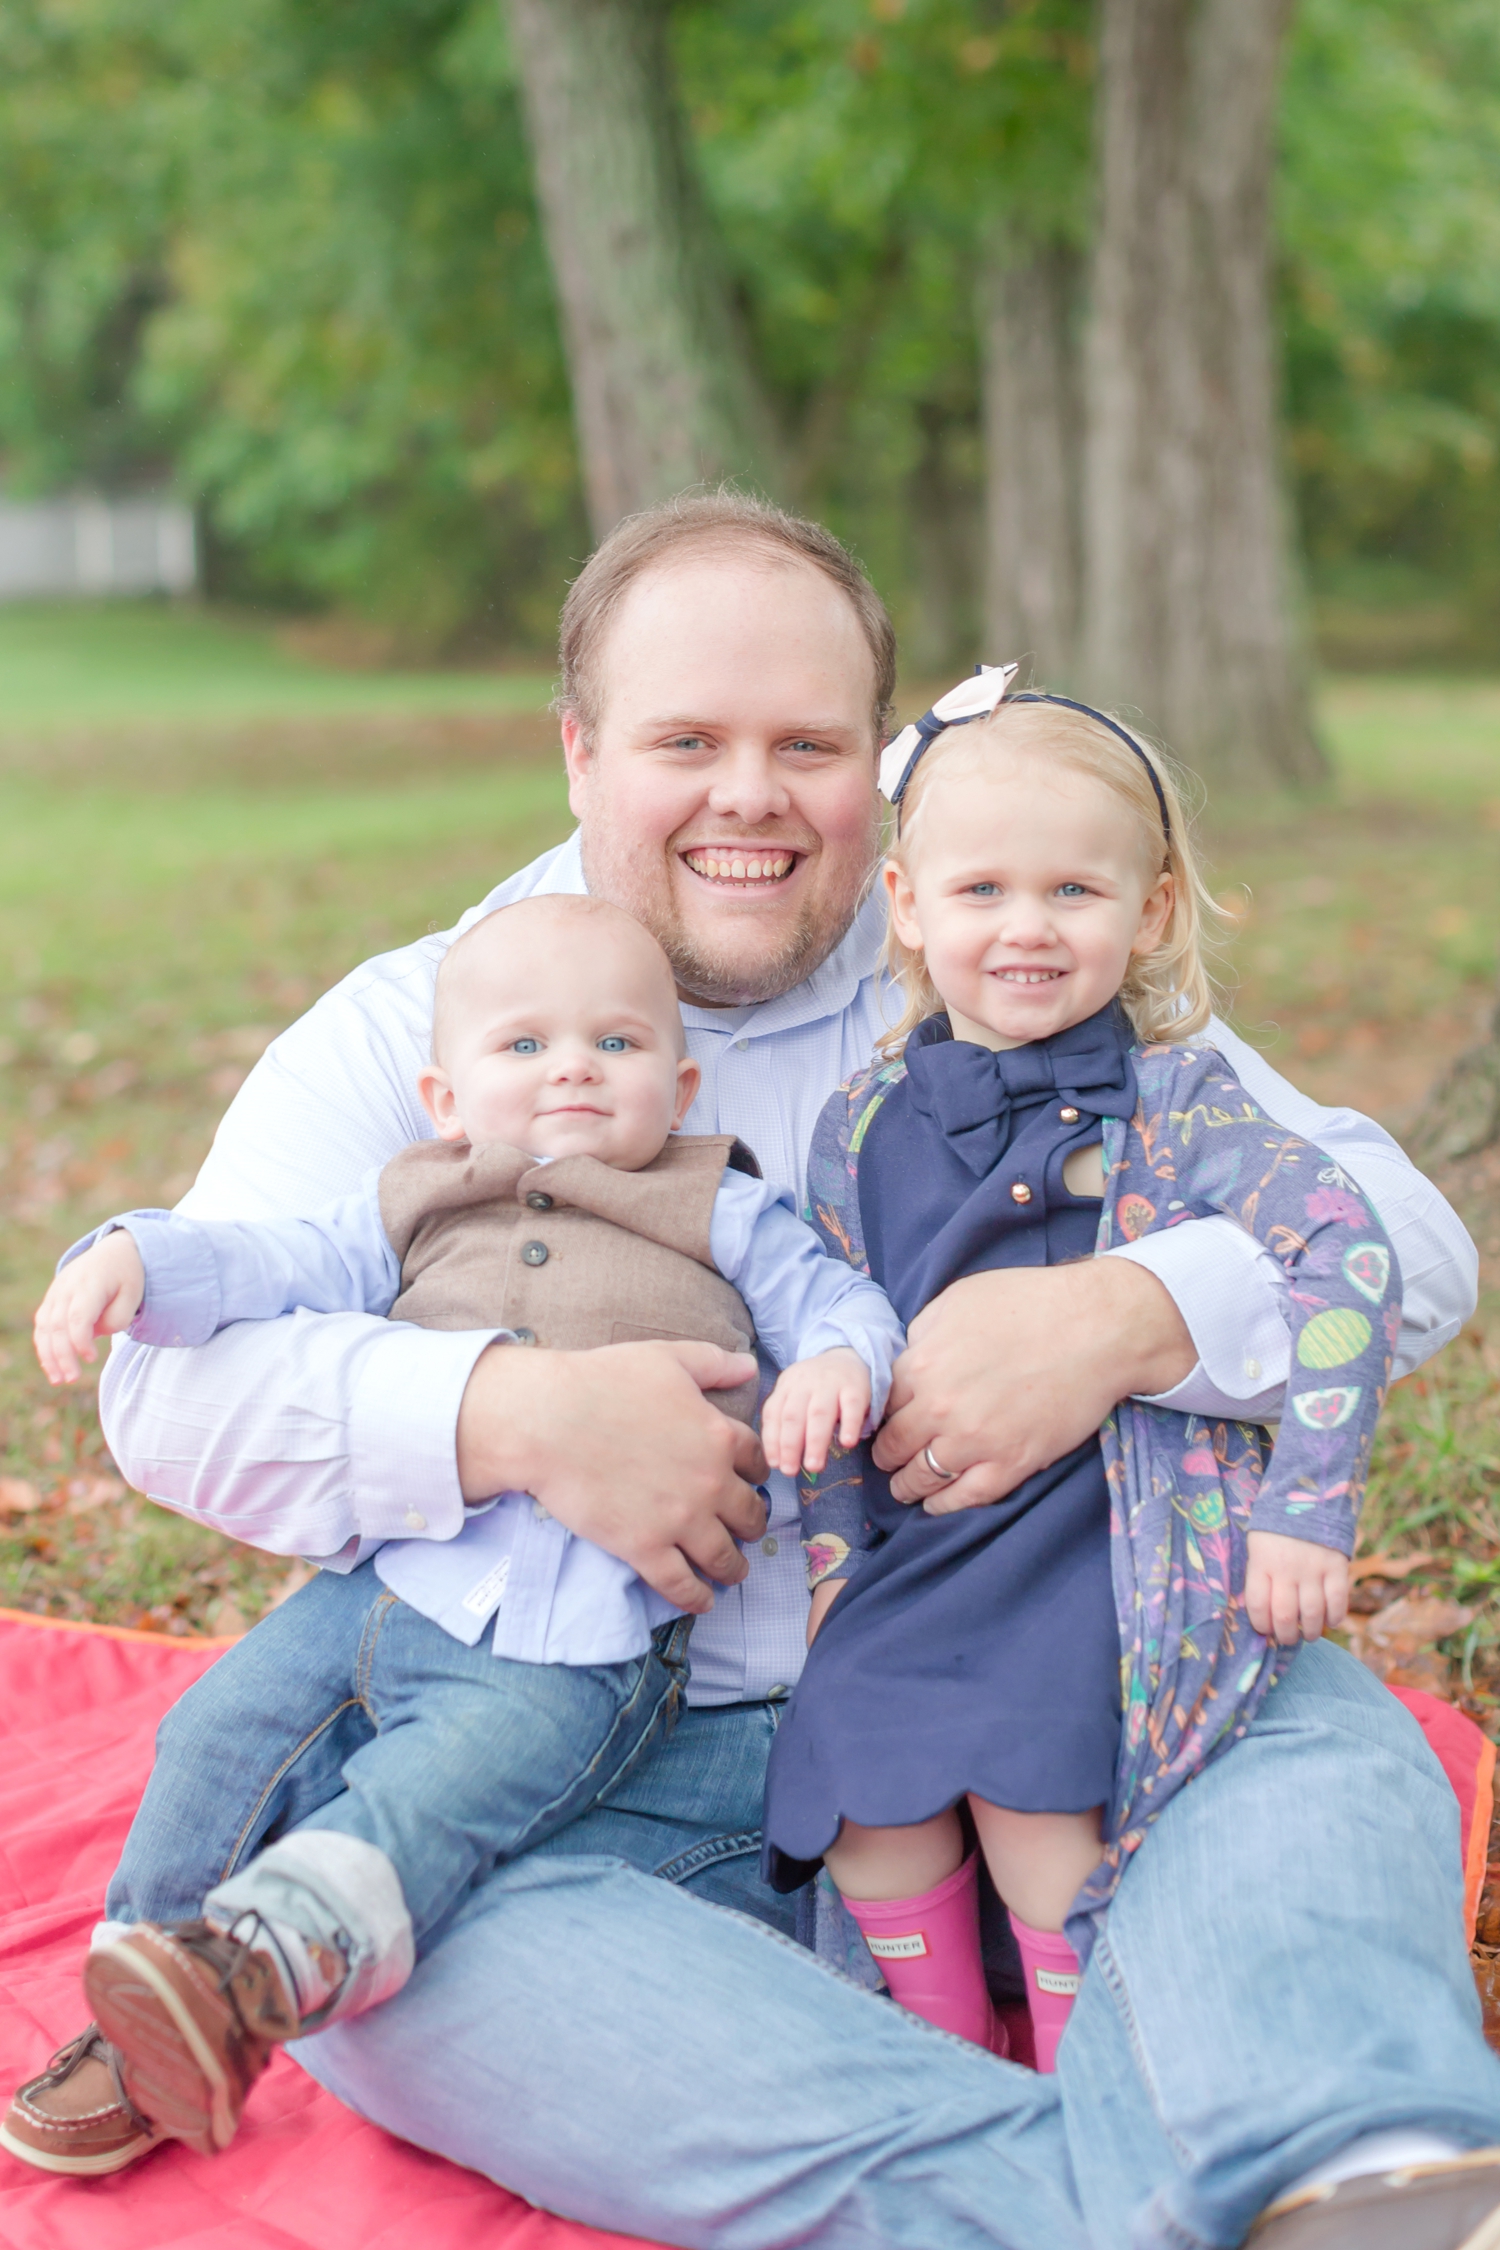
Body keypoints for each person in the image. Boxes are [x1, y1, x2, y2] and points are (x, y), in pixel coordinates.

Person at [5, 492, 1497, 2250]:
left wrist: (1125, 1318)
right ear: (576, 754)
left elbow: (1406, 1240)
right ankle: (1087, 2204)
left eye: (808, 744)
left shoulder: (987, 949)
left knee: (1303, 1748)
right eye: (685, 742)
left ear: (880, 764)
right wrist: (510, 1417)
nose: (750, 797)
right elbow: (168, 1391)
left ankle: (1357, 2163)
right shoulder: (428, 1026)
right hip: (591, 1761)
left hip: (1067, 1667)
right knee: (401, 1959)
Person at [17, 892, 902, 2160]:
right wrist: (137, 1264)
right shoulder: (416, 1200)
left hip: (577, 1638)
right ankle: (147, 1991)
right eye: (525, 1046)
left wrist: (835, 1370)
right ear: (446, 1096)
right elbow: (268, 1263)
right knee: (219, 1733)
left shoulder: (720, 1207)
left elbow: (840, 1305)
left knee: (433, 1796)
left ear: (681, 1081)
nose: (573, 1073)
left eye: (616, 1044)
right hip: (382, 1587)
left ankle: (253, 1976)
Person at [759, 674, 1401, 2077]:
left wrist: (1306, 1509)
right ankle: (949, 2069)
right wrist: (828, 1557)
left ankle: (1077, 2070)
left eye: (1074, 890)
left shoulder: (1179, 1103)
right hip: (921, 1549)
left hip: (1097, 1542)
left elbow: (1348, 1253)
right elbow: (837, 1338)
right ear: (911, 909)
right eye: (983, 888)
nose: (1029, 928)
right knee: (868, 1799)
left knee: (1039, 1811)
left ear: (1153, 909)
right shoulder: (860, 1119)